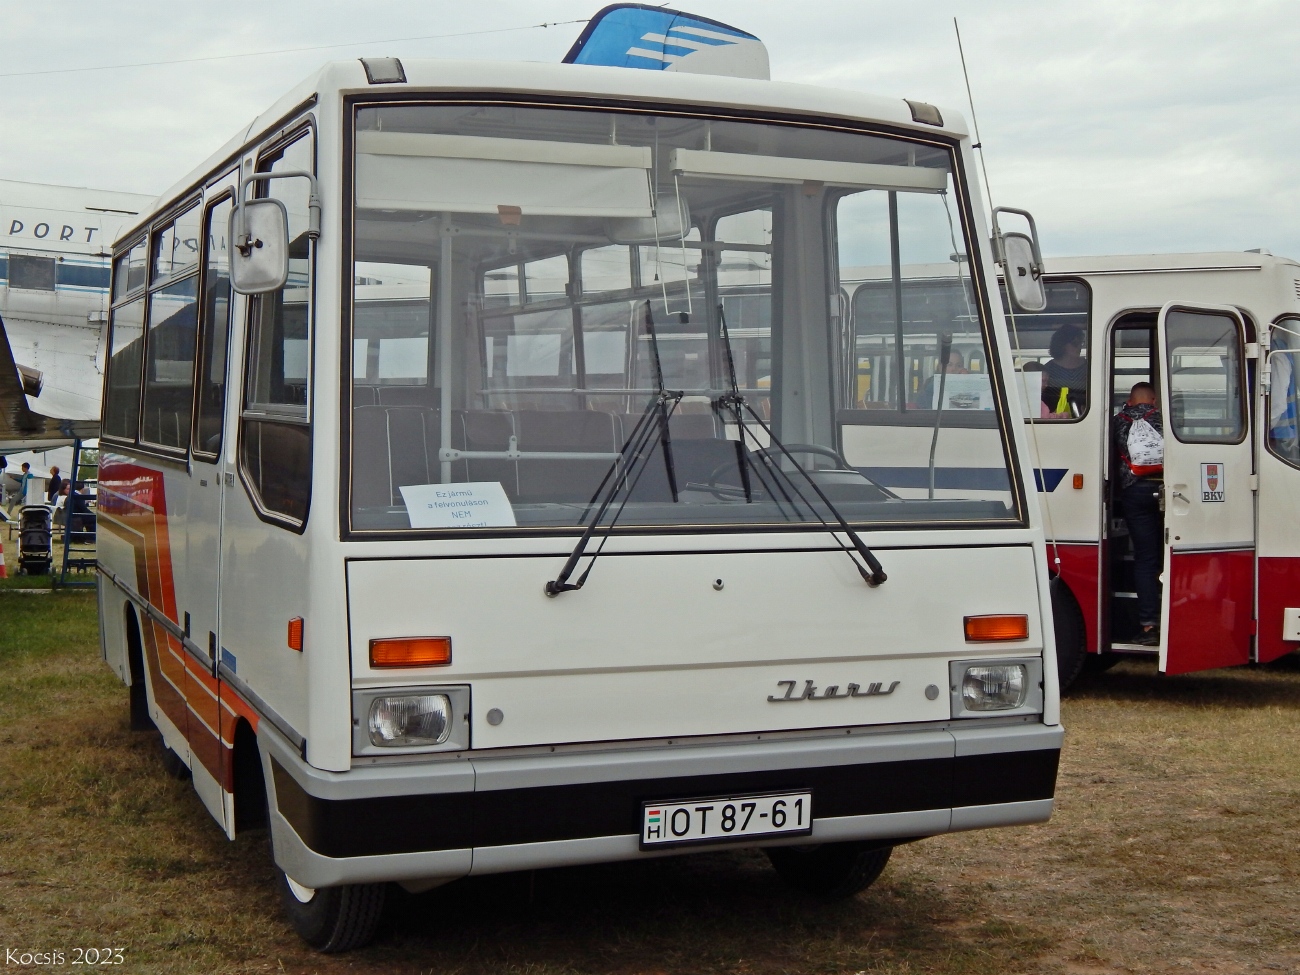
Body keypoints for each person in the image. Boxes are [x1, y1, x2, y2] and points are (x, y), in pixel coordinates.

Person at [1113, 382, 1164, 645]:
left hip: (1134, 492)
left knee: (1145, 559)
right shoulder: (1163, 419)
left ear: (1130, 401)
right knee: (1171, 554)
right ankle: (1173, 617)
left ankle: (1148, 626)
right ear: (1154, 400)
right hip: (1165, 491)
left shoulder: (1118, 421)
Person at [1042, 324, 1088, 417]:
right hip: (1055, 420)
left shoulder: (1089, 367)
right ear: (1062, 345)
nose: (1079, 347)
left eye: (1081, 343)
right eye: (1075, 344)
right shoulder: (1048, 369)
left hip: (1085, 417)